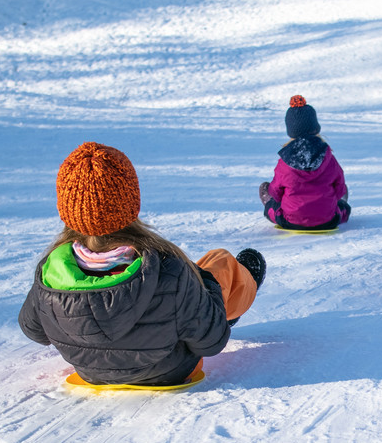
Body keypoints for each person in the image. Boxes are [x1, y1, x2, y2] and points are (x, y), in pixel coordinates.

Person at [18, 142, 266, 386]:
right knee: (218, 263)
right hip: (169, 370)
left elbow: (34, 330)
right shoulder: (169, 269)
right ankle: (235, 292)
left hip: (91, 372)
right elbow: (211, 342)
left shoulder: (52, 271)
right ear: (128, 202)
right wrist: (206, 285)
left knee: (188, 285)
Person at [259, 95, 351, 231]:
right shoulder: (328, 157)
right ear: (315, 127)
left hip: (290, 220)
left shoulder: (285, 161)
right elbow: (339, 188)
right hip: (327, 220)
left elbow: (276, 193)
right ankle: (334, 208)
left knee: (267, 192)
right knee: (343, 204)